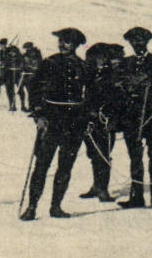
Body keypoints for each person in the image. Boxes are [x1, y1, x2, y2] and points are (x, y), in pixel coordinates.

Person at [20, 27, 90, 221]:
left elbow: (91, 95)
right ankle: (32, 207)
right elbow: (33, 89)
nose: (62, 44)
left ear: (75, 45)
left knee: (65, 166)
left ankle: (56, 207)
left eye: (66, 41)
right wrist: (38, 114)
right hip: (52, 120)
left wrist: (87, 119)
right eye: (60, 41)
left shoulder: (83, 66)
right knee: (41, 165)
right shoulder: (48, 63)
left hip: (74, 123)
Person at [117, 26, 152, 208]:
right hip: (131, 117)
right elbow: (118, 86)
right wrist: (126, 85)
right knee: (135, 156)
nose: (137, 44)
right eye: (134, 41)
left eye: (141, 40)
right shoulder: (125, 63)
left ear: (147, 42)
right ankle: (137, 197)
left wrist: (149, 81)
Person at [78, 42, 124, 203]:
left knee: (104, 154)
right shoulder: (88, 74)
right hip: (89, 119)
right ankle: (96, 186)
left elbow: (118, 99)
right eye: (97, 57)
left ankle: (103, 188)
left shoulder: (114, 74)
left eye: (103, 57)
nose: (100, 60)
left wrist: (112, 117)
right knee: (93, 153)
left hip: (106, 120)